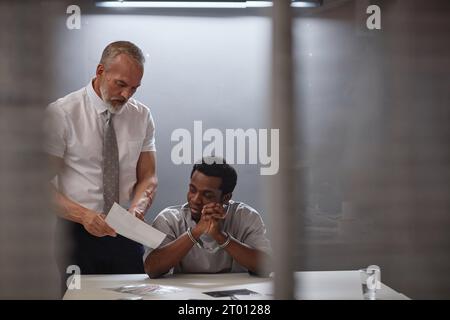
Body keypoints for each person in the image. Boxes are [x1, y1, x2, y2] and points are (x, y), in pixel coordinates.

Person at [45, 41, 157, 276]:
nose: (127, 94)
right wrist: (84, 216)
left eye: (134, 88)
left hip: (126, 231)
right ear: (100, 71)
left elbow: (148, 176)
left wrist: (136, 210)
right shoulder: (62, 113)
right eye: (121, 84)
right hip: (75, 233)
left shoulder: (142, 116)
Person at [144, 157, 271, 278]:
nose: (195, 200)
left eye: (207, 195)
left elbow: (266, 267)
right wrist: (196, 232)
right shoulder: (169, 219)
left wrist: (220, 236)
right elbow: (152, 269)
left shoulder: (246, 216)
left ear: (226, 198)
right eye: (192, 190)